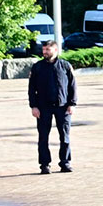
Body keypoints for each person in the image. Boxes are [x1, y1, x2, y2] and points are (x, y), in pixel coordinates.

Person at [28, 38, 77, 173]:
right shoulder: (37, 67)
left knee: (65, 136)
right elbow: (31, 89)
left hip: (63, 106)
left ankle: (65, 163)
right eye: (44, 49)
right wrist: (34, 106)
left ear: (55, 50)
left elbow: (72, 86)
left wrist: (72, 104)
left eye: (47, 49)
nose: (45, 52)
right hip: (43, 107)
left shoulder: (65, 66)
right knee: (43, 137)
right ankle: (44, 164)